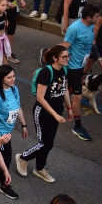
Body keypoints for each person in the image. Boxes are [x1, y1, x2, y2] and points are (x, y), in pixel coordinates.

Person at [16, 45, 71, 183]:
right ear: (55, 58)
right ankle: (23, 157)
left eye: (68, 56)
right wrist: (55, 115)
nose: (67, 59)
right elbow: (40, 97)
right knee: (45, 143)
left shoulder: (64, 69)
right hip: (44, 112)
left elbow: (64, 89)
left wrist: (69, 108)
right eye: (64, 57)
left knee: (48, 143)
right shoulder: (46, 72)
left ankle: (40, 168)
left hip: (56, 111)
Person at [0, 64, 27, 201]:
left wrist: (24, 125)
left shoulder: (14, 90)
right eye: (9, 77)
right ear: (1, 79)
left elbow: (18, 108)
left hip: (8, 132)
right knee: (5, 158)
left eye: (14, 76)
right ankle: (4, 185)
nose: (13, 79)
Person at [63, 4, 102, 142]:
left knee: (64, 88)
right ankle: (77, 125)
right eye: (96, 16)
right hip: (72, 66)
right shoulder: (74, 29)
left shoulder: (91, 26)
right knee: (78, 97)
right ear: (88, 17)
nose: (98, 18)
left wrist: (99, 58)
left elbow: (92, 41)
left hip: (80, 65)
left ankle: (56, 103)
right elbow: (65, 46)